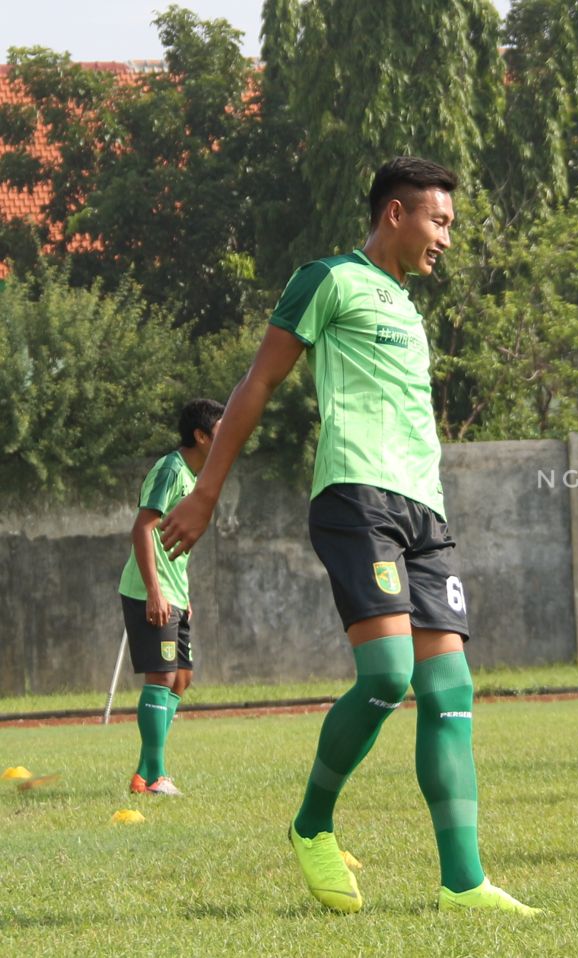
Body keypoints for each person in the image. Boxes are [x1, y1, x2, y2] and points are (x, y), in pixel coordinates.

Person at [158, 157, 536, 916]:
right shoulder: (328, 278)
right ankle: (311, 825)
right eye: (440, 221)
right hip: (356, 499)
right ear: (395, 214)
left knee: (451, 689)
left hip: (424, 512)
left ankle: (464, 882)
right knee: (390, 676)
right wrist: (204, 493)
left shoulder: (406, 304)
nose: (447, 239)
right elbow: (256, 384)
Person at [118, 398, 224, 796]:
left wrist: (183, 592)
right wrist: (155, 592)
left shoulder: (197, 478)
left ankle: (144, 773)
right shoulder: (170, 470)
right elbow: (143, 529)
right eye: (221, 429)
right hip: (151, 593)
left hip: (175, 592)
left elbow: (174, 542)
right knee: (161, 676)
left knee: (181, 679)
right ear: (200, 435)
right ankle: (157, 775)